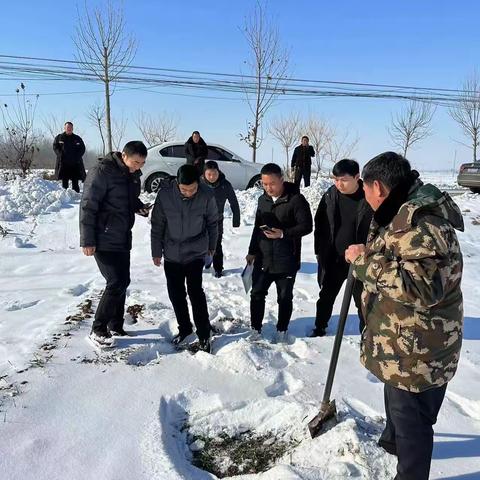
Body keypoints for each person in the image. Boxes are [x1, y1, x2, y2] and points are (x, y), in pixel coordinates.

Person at [345, 151, 464, 480]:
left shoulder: (420, 225)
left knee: (415, 424)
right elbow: (403, 261)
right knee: (399, 405)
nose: (364, 197)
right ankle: (392, 440)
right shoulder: (401, 211)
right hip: (402, 341)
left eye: (365, 189)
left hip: (418, 350)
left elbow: (423, 288)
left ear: (379, 187)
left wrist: (364, 263)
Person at [80, 141, 150, 347]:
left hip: (122, 236)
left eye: (142, 163)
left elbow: (128, 199)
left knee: (123, 281)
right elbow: (88, 206)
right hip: (103, 237)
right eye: (136, 162)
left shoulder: (131, 174)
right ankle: (98, 329)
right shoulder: (102, 171)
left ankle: (115, 325)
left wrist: (140, 208)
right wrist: (87, 240)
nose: (139, 167)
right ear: (124, 155)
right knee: (116, 281)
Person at [151, 164, 218, 353]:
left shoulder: (206, 194)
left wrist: (211, 247)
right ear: (177, 184)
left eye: (192, 189)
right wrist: (156, 251)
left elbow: (213, 222)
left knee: (195, 292)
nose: (189, 193)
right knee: (176, 293)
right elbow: (157, 224)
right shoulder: (165, 194)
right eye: (184, 189)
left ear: (199, 183)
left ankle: (204, 333)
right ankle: (185, 328)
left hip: (196, 251)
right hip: (171, 252)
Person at [246, 163, 312, 343]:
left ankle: (282, 329)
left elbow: (307, 226)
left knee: (284, 298)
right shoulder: (263, 200)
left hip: (287, 259)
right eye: (265, 184)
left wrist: (283, 233)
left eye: (272, 184)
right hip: (263, 258)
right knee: (257, 293)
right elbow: (257, 228)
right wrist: (252, 251)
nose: (269, 188)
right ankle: (255, 328)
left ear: (282, 180)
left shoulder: (296, 200)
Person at [311, 159, 373, 337]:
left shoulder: (369, 196)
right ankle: (320, 326)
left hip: (361, 260)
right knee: (326, 296)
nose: (339, 184)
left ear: (357, 177)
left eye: (343, 180)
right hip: (335, 258)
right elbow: (320, 224)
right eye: (335, 179)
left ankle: (366, 333)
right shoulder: (330, 195)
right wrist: (320, 251)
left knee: (362, 300)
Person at [200, 160, 240, 277]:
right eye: (209, 174)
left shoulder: (225, 185)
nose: (212, 177)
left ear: (219, 172)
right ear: (204, 174)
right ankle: (203, 262)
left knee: (216, 244)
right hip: (200, 220)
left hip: (217, 220)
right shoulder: (199, 183)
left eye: (215, 174)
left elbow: (234, 202)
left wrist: (236, 219)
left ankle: (218, 268)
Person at [53, 121, 86, 193]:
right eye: (68, 127)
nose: (69, 129)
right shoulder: (59, 138)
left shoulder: (77, 138)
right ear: (65, 128)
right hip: (64, 163)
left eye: (70, 127)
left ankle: (76, 194)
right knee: (65, 181)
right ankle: (65, 196)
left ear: (73, 128)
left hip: (75, 164)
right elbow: (55, 147)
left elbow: (82, 148)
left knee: (75, 180)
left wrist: (77, 156)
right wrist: (60, 154)